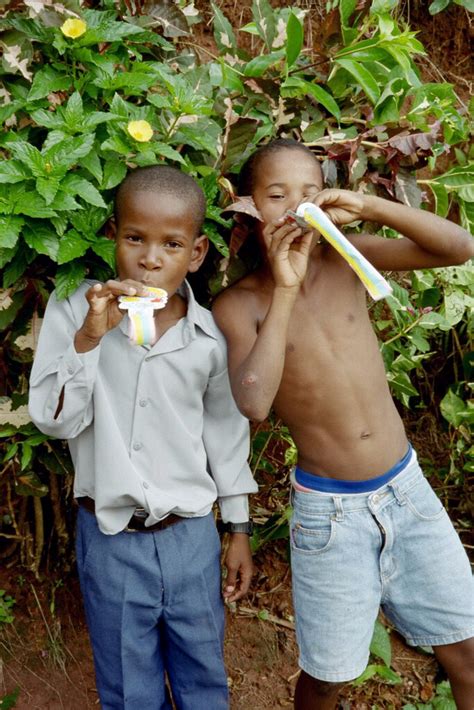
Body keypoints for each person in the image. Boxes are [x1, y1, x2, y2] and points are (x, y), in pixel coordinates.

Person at [212, 139, 474, 710]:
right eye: (277, 195)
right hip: (331, 515)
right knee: (329, 678)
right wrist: (284, 286)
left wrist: (371, 206)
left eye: (310, 192)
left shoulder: (348, 257)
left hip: (408, 492)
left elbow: (459, 248)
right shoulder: (241, 304)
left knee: (467, 650)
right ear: (251, 208)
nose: (296, 206)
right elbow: (254, 403)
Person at [28, 165, 258, 710]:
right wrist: (89, 337)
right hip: (110, 539)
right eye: (135, 238)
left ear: (196, 253)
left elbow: (224, 435)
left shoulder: (208, 339)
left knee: (204, 679)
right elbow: (52, 420)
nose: (150, 258)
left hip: (192, 540)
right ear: (113, 235)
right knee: (130, 691)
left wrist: (240, 528)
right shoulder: (74, 312)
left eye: (171, 244)